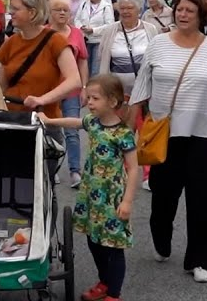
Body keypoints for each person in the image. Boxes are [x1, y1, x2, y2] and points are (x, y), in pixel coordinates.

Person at [131, 0, 207, 283]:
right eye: (179, 9)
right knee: (163, 197)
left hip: (204, 133)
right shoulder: (158, 45)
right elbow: (141, 88)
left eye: (190, 10)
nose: (183, 14)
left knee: (205, 199)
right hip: (164, 133)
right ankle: (161, 238)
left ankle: (201, 259)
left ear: (201, 16)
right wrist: (129, 128)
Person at [39, 75, 139, 301]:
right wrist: (50, 120)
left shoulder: (123, 134)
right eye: (89, 97)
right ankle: (104, 282)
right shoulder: (93, 122)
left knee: (113, 246)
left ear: (112, 101)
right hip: (92, 196)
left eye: (95, 98)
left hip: (112, 198)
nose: (89, 102)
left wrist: (127, 201)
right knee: (94, 242)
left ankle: (114, 293)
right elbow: (74, 122)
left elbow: (133, 168)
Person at [0, 0, 81, 117]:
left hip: (43, 120)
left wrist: (42, 100)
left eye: (16, 8)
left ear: (32, 13)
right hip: (12, 120)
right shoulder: (10, 43)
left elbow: (74, 81)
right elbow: (2, 86)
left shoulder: (56, 41)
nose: (10, 12)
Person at [48, 0, 90, 187]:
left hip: (71, 90)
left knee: (72, 131)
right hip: (49, 91)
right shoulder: (44, 33)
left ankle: (75, 171)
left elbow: (83, 61)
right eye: (58, 10)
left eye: (66, 10)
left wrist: (84, 87)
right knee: (51, 130)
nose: (62, 13)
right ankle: (52, 168)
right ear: (50, 12)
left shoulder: (76, 34)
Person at [75, 0, 116, 76]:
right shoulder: (84, 4)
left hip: (99, 41)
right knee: (85, 68)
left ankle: (94, 85)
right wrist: (81, 27)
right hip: (84, 40)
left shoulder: (106, 6)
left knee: (95, 69)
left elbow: (110, 25)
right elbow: (77, 19)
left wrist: (93, 30)